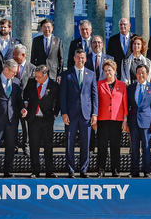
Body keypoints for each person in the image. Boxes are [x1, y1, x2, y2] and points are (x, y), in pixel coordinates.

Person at [60, 49, 97, 177]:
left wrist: (94, 114)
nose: (81, 60)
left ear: (86, 59)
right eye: (78, 57)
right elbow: (62, 96)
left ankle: (83, 169)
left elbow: (94, 95)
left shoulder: (91, 74)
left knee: (85, 143)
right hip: (71, 114)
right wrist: (64, 113)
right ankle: (70, 169)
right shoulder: (67, 74)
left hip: (86, 114)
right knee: (70, 142)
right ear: (74, 58)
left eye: (83, 58)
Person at [0, 60, 24, 178]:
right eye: (13, 72)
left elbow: (19, 100)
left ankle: (8, 170)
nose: (15, 74)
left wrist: (22, 109)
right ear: (6, 69)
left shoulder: (16, 82)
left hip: (12, 119)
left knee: (11, 146)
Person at [22, 64, 59, 178]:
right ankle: (35, 171)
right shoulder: (32, 82)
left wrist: (55, 113)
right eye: (36, 76)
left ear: (45, 75)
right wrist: (25, 104)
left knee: (48, 146)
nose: (36, 79)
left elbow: (58, 101)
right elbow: (25, 95)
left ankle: (49, 171)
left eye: (39, 77)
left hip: (47, 119)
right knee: (34, 146)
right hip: (33, 119)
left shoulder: (54, 85)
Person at [93, 59, 127, 177]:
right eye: (106, 71)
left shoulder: (122, 85)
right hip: (102, 119)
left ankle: (115, 170)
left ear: (115, 70)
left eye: (110, 70)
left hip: (116, 120)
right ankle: (101, 170)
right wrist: (95, 118)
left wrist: (125, 120)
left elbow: (124, 103)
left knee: (115, 146)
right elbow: (95, 102)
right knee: (102, 146)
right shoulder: (99, 84)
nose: (108, 73)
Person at [126, 63, 151, 178]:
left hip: (146, 122)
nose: (141, 75)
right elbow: (127, 105)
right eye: (139, 72)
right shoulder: (130, 88)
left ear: (147, 74)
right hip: (133, 121)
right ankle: (134, 171)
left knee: (146, 147)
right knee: (134, 148)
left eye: (143, 72)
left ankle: (147, 171)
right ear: (136, 74)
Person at [10, 44, 35, 156]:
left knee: (26, 127)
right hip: (13, 101)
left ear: (23, 55)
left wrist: (28, 101)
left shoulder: (32, 68)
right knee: (13, 125)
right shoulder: (11, 66)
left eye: (16, 54)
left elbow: (33, 87)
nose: (14, 56)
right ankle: (13, 146)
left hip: (26, 102)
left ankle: (26, 146)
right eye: (13, 54)